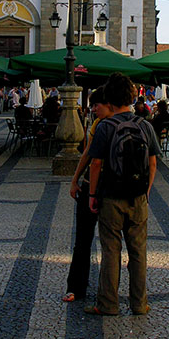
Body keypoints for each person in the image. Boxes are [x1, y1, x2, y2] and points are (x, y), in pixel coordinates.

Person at [85, 73, 159, 317]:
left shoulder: (106, 127)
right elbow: (153, 163)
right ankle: (139, 304)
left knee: (110, 250)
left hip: (111, 197)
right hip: (138, 198)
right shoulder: (145, 125)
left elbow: (95, 164)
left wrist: (92, 194)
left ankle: (108, 304)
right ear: (131, 97)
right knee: (138, 252)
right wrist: (145, 191)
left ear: (110, 99)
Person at [63, 87, 112, 303]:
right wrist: (75, 179)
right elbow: (88, 153)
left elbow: (97, 161)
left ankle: (107, 291)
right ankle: (76, 287)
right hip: (92, 187)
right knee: (83, 240)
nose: (92, 109)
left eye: (95, 105)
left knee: (110, 243)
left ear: (108, 104)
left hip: (107, 189)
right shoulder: (96, 124)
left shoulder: (118, 125)